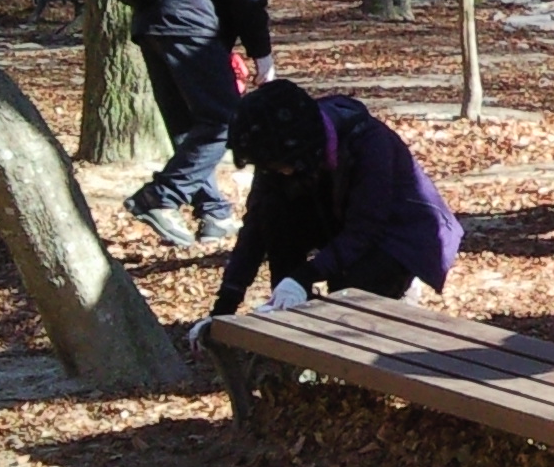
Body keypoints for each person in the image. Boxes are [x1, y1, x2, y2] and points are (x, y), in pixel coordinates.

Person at [124, 0, 323, 248]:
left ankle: (213, 212)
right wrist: (263, 56)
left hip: (153, 21)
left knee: (189, 124)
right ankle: (160, 198)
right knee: (226, 120)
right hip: (187, 23)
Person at [187, 79, 464, 355]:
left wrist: (304, 276)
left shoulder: (370, 144)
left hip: (401, 235)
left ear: (300, 147)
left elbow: (365, 229)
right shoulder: (276, 147)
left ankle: (385, 308)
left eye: (280, 164)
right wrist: (224, 310)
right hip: (335, 216)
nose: (278, 171)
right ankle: (292, 322)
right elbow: (256, 228)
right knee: (274, 219)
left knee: (350, 290)